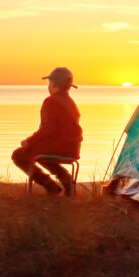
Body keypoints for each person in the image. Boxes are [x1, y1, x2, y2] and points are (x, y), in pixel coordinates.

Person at [12, 67, 82, 196]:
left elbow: (47, 128)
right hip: (73, 148)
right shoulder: (71, 102)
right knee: (39, 150)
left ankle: (50, 185)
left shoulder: (51, 101)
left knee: (19, 155)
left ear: (54, 84)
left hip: (58, 147)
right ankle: (64, 178)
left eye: (49, 83)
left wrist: (29, 141)